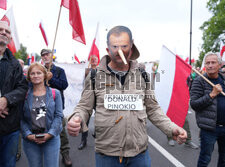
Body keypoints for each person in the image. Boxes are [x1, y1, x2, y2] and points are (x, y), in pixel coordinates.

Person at [67, 25, 187, 167]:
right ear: (107, 49)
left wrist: (171, 128)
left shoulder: (142, 75)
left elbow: (153, 109)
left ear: (131, 46)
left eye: (124, 46)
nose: (119, 51)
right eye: (115, 47)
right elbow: (84, 107)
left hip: (139, 154)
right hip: (107, 155)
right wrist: (77, 118)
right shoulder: (94, 76)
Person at [190, 52, 225, 167]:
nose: (210, 65)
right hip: (209, 129)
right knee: (204, 160)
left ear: (220, 65)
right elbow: (194, 104)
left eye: (213, 62)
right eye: (207, 63)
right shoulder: (199, 81)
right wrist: (211, 95)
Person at [21, 63, 63, 167]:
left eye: (39, 73)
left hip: (51, 138)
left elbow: (58, 116)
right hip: (30, 140)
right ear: (29, 77)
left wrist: (50, 134)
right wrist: (28, 135)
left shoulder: (55, 93)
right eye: (32, 73)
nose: (36, 76)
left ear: (44, 75)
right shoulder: (24, 95)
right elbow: (20, 118)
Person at [0, 21, 28, 167]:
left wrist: (6, 100)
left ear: (10, 39)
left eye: (8, 31)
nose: (4, 32)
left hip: (9, 126)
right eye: (1, 29)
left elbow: (22, 88)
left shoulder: (15, 64)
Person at [40, 49, 72, 166]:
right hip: (42, 105)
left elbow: (64, 85)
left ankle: (65, 154)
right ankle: (45, 155)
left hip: (57, 106)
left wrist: (51, 78)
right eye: (43, 55)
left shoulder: (59, 70)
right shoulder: (39, 70)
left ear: (51, 56)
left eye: (47, 54)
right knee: (42, 129)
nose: (45, 57)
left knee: (61, 131)